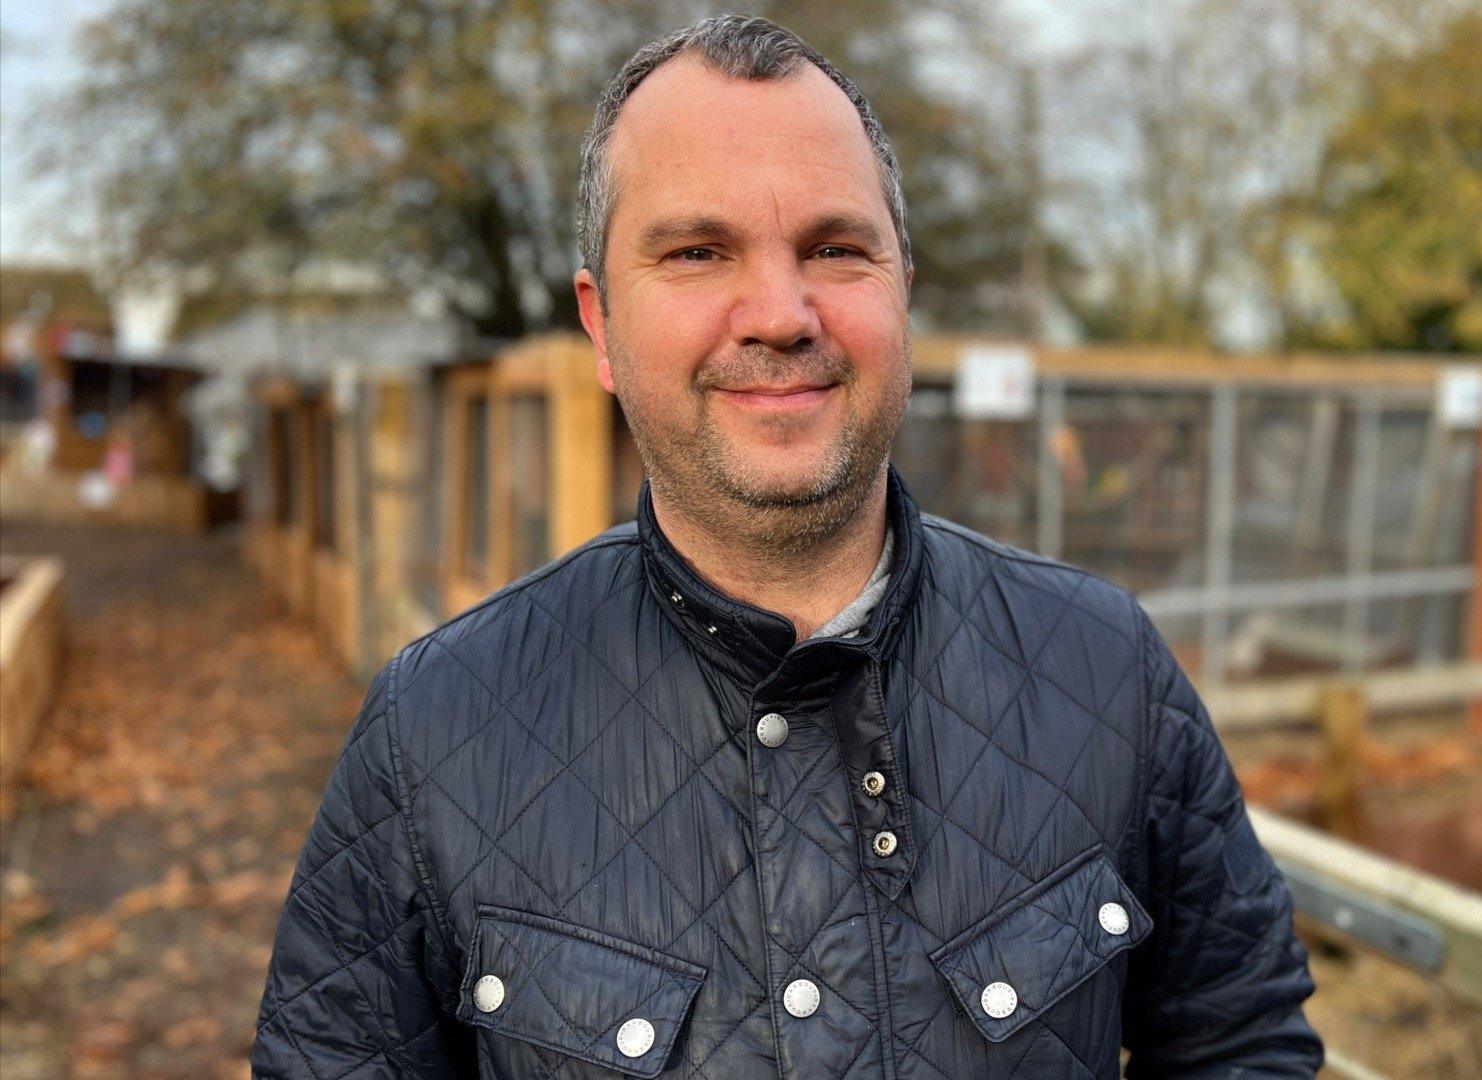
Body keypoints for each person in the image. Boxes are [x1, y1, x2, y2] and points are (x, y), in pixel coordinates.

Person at [251, 14, 1321, 1078]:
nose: (779, 313)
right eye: (698, 251)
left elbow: (1242, 1042)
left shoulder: (1104, 669)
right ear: (602, 327)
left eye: (834, 248)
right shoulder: (434, 731)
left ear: (904, 290)